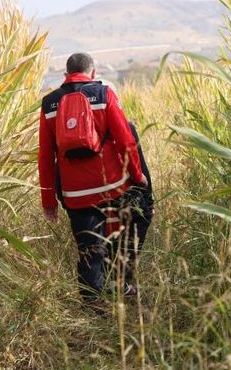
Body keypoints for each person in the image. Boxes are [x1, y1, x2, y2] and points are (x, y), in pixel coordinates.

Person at [38, 52, 152, 302]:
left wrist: (49, 201)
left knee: (90, 249)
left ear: (66, 74)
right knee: (138, 219)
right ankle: (120, 282)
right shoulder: (103, 94)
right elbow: (125, 141)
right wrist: (137, 175)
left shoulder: (49, 104)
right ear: (93, 72)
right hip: (112, 186)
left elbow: (45, 157)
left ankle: (92, 306)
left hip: (75, 193)